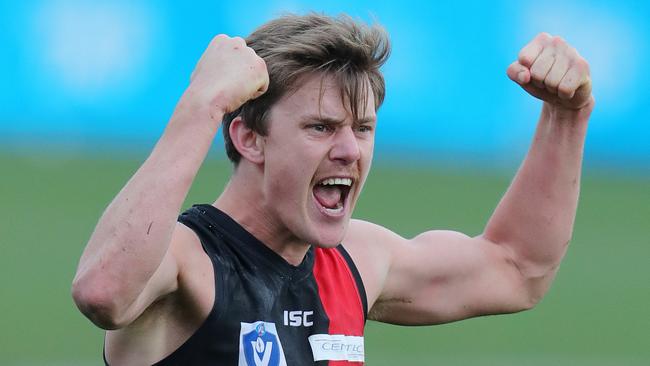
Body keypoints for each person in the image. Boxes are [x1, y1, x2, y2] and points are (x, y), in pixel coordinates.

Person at [72, 13, 594, 365]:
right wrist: (202, 105)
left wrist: (566, 116)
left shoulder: (355, 261)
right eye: (321, 127)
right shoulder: (189, 261)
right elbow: (103, 292)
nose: (350, 150)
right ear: (249, 138)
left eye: (363, 128)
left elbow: (516, 268)